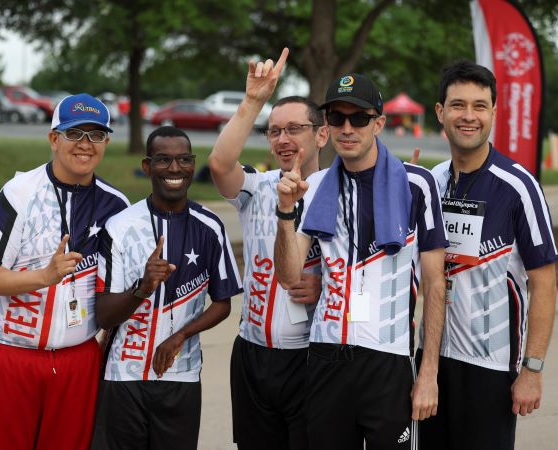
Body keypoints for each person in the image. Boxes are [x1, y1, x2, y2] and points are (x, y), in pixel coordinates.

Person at [274, 72, 448, 449]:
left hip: (388, 358)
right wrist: (285, 212)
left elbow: (435, 282)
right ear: (327, 126)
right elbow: (289, 276)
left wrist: (429, 371)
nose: (347, 128)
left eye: (359, 118)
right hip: (325, 356)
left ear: (379, 123)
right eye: (336, 118)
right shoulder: (315, 186)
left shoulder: (416, 184)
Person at [0, 93, 130, 450]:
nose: (86, 145)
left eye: (97, 135)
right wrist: (44, 276)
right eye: (75, 134)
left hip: (77, 360)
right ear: (54, 139)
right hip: (9, 355)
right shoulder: (18, 193)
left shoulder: (117, 205)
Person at [418, 60, 557, 450]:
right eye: (458, 105)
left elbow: (545, 280)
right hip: (429, 361)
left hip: (490, 367)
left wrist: (532, 369)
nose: (469, 116)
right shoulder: (430, 182)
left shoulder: (518, 186)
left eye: (480, 106)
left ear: (494, 112)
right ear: (440, 112)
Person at [91, 126, 242, 450]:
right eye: (163, 160)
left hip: (181, 377)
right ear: (147, 166)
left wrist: (180, 336)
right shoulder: (120, 227)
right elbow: (103, 316)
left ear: (192, 164)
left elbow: (223, 303)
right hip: (123, 376)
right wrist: (143, 287)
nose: (175, 169)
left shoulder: (210, 227)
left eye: (183, 160)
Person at [208, 48, 327, 450]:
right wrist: (252, 102)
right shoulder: (259, 186)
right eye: (274, 131)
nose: (283, 139)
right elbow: (221, 166)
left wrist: (323, 286)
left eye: (294, 129)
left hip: (312, 358)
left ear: (321, 135)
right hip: (253, 353)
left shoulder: (340, 191)